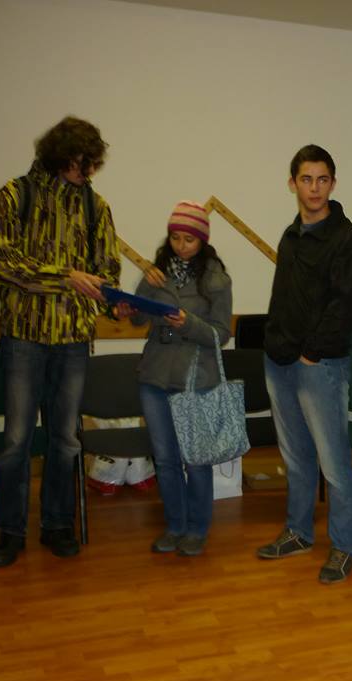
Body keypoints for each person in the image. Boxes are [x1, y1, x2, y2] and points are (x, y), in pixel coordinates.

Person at [0, 116, 120, 568]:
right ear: (61, 155)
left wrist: (112, 300)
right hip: (23, 339)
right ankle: (10, 532)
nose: (90, 171)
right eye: (84, 162)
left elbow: (107, 269)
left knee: (66, 439)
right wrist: (66, 277)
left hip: (74, 341)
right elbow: (3, 262)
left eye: (93, 163)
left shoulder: (96, 206)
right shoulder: (15, 194)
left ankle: (58, 525)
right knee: (16, 440)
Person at [255, 145, 352, 584]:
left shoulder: (347, 240)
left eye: (323, 179)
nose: (315, 188)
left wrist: (312, 352)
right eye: (306, 179)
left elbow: (346, 308)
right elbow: (283, 299)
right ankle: (299, 532)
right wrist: (275, 345)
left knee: (334, 463)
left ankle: (344, 546)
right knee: (296, 457)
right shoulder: (291, 235)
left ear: (333, 184)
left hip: (320, 366)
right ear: (293, 184)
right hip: (280, 361)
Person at [123, 201, 232, 557]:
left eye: (189, 239)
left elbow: (221, 333)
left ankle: (197, 529)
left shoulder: (216, 277)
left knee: (196, 459)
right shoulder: (156, 273)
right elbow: (138, 318)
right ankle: (175, 526)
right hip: (155, 374)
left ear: (202, 241)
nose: (180, 246)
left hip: (195, 377)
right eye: (175, 238)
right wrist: (129, 305)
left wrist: (189, 323)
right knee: (165, 459)